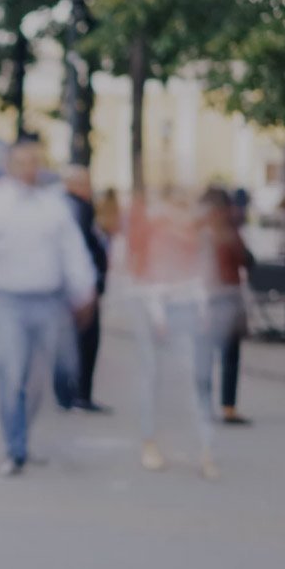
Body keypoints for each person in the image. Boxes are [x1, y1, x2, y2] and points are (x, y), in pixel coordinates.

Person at [0, 133, 96, 476]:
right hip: (8, 300)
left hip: (47, 300)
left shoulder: (52, 205)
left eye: (35, 162)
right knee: (12, 372)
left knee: (36, 379)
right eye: (23, 162)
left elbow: (72, 251)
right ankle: (14, 448)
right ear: (10, 165)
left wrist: (84, 289)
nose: (30, 169)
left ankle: (22, 437)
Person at [124, 186, 222, 479]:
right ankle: (149, 441)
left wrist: (203, 310)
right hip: (152, 307)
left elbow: (201, 276)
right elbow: (144, 275)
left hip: (185, 307)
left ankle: (204, 448)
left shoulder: (195, 234)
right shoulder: (155, 230)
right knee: (151, 374)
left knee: (196, 376)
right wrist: (157, 314)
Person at [54, 166, 111, 414]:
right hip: (80, 287)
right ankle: (78, 394)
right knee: (85, 340)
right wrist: (90, 285)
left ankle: (66, 393)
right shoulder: (78, 208)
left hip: (66, 286)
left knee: (67, 339)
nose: (91, 188)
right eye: (87, 183)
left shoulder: (60, 206)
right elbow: (83, 250)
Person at [202, 189, 256, 426]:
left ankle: (203, 406)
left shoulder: (201, 232)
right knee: (230, 355)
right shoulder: (228, 231)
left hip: (206, 296)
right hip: (228, 295)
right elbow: (247, 259)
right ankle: (228, 407)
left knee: (205, 354)